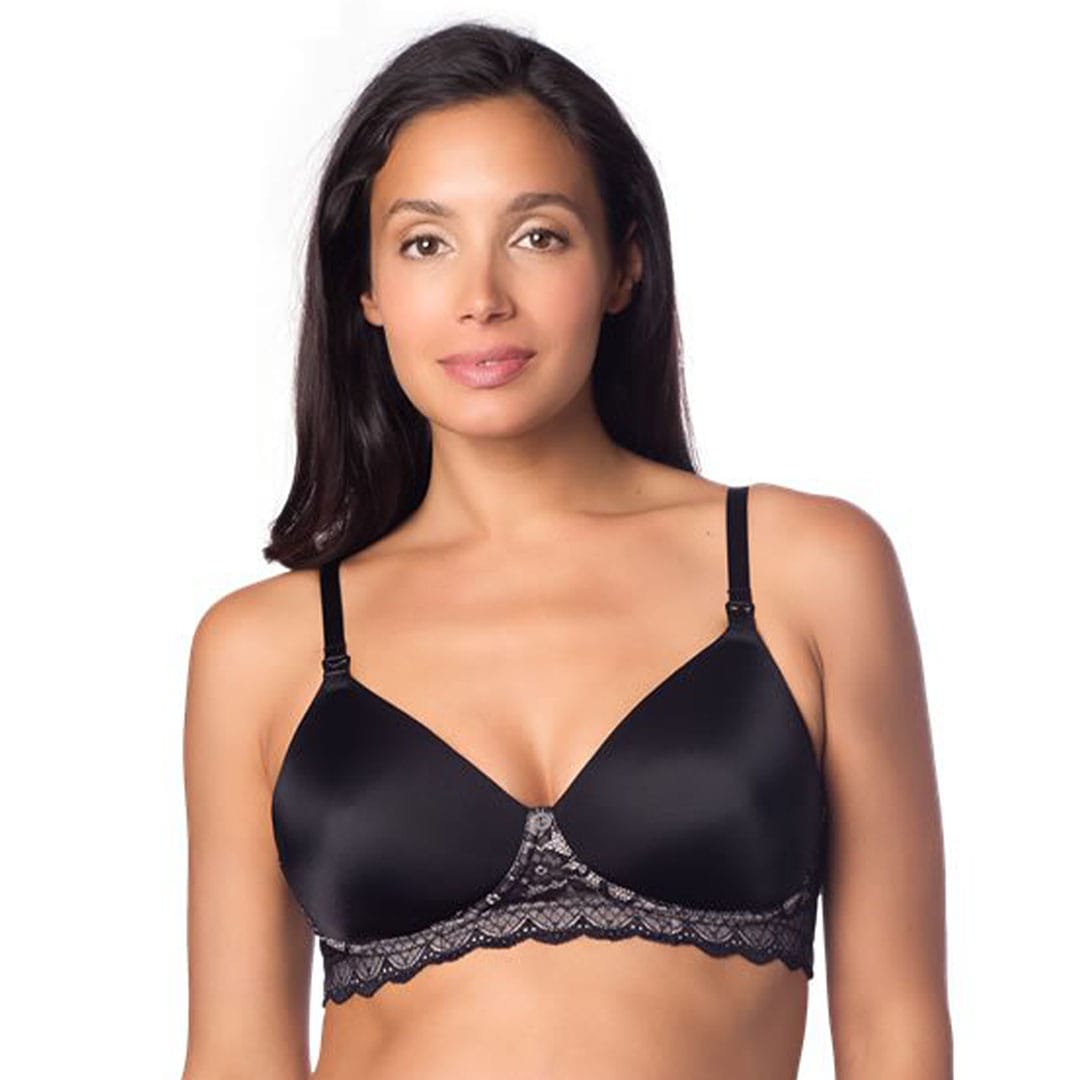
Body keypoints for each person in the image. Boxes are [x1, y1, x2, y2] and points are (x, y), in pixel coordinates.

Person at [181, 20, 951, 1080]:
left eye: (538, 235)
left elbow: (898, 1032)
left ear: (624, 264)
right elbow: (235, 1058)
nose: (482, 298)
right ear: (366, 290)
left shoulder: (805, 571)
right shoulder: (264, 649)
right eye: (425, 244)